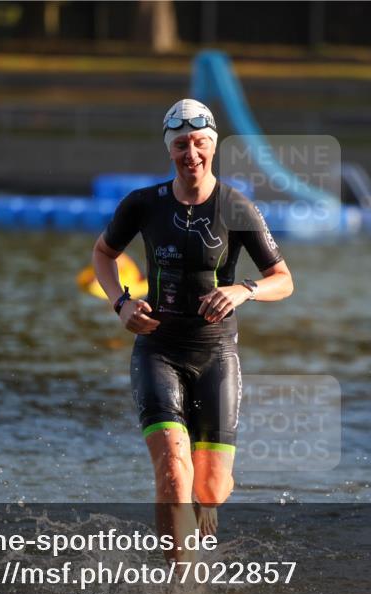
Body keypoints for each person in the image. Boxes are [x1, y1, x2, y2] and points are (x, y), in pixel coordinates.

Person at [91, 99, 293, 560]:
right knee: (172, 472)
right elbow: (102, 254)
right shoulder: (143, 204)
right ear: (170, 150)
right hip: (157, 349)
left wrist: (245, 290)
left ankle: (206, 505)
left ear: (213, 144)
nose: (192, 154)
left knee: (211, 487)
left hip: (216, 354)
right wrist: (120, 303)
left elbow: (284, 280)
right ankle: (178, 586)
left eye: (200, 143)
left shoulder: (237, 206)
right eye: (181, 144)